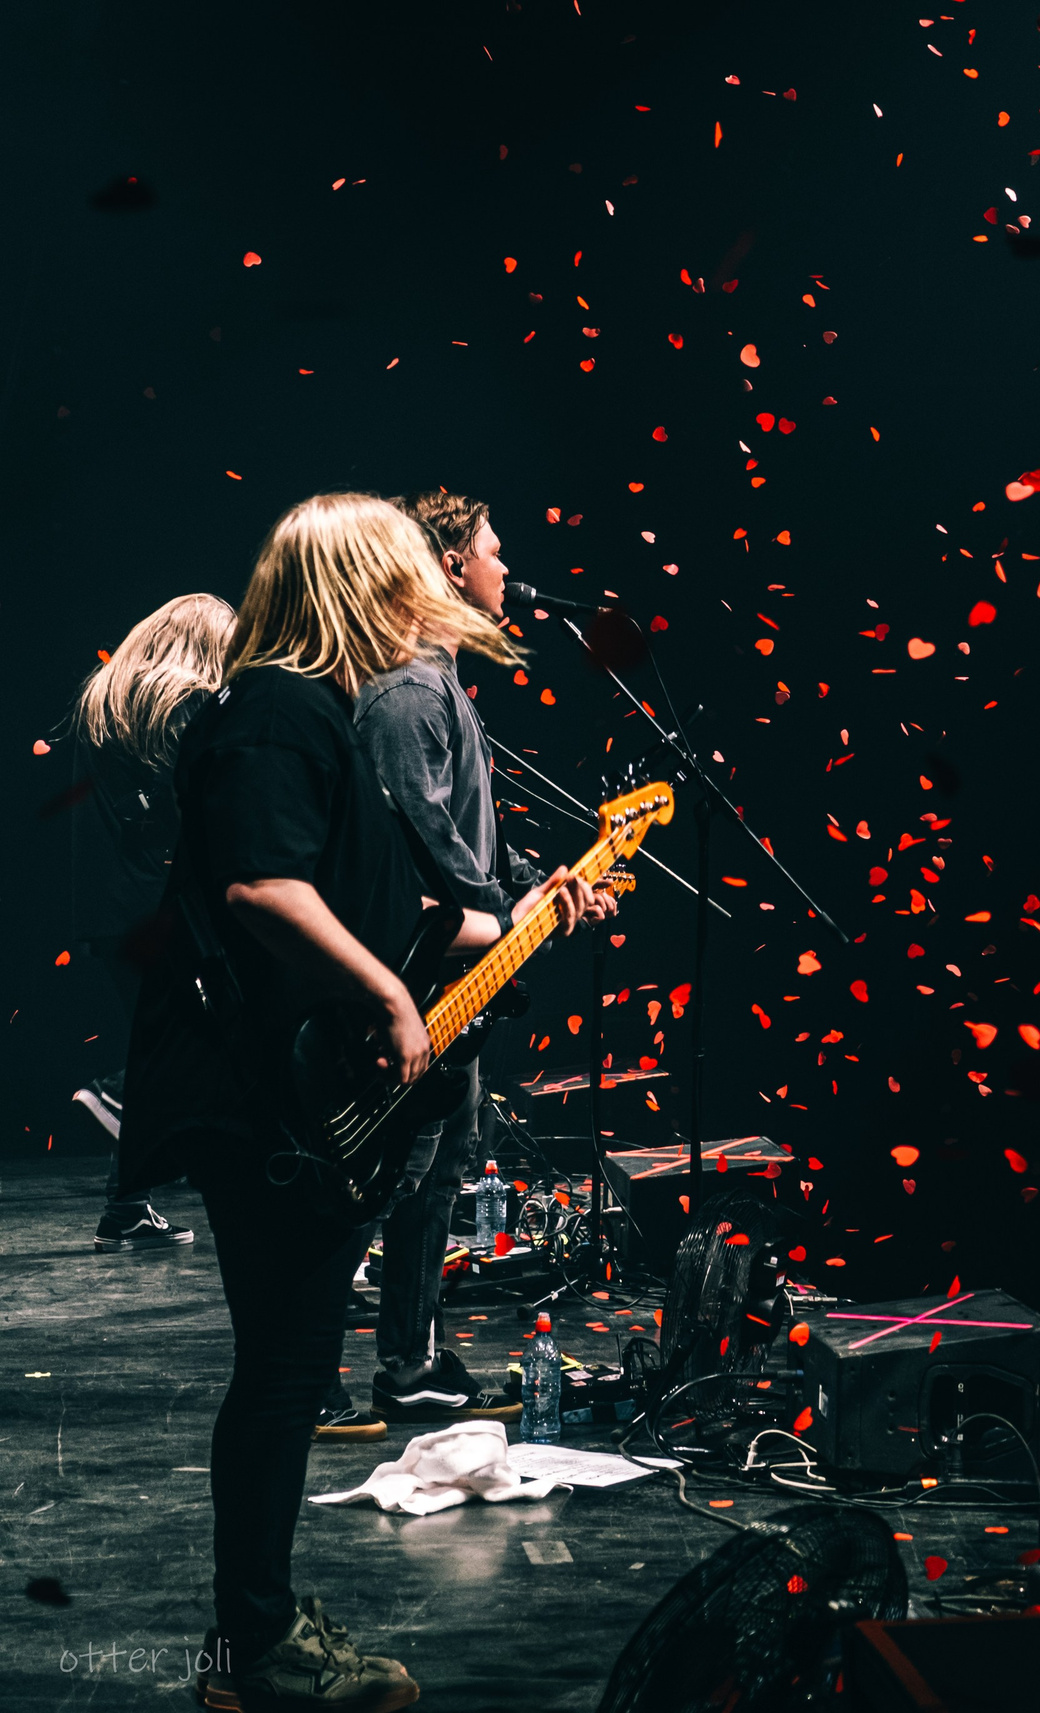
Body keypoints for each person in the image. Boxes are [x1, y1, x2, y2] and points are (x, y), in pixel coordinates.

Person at [114, 492, 603, 1713]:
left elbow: (371, 898)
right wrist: (390, 997)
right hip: (263, 1102)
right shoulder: (278, 709)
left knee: (286, 1369)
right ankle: (254, 1652)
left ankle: (259, 1635)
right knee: (281, 1374)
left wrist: (520, 925)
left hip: (295, 1093)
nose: (425, 593)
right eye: (403, 576)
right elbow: (264, 892)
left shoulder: (311, 711)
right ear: (359, 583)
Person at [354, 490, 616, 1430]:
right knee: (395, 1173)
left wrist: (547, 884)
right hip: (423, 981)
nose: (510, 567)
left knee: (436, 1171)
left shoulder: (441, 689)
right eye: (495, 550)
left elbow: (472, 848)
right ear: (453, 567)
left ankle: (412, 1359)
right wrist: (515, 911)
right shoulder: (407, 694)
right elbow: (426, 857)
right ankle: (335, 1364)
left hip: (461, 978)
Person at [65, 593, 236, 1250]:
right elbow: (189, 809)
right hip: (158, 904)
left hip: (108, 910)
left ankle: (125, 1205)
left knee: (168, 1032)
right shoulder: (184, 704)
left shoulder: (104, 701)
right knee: (191, 1040)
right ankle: (118, 1093)